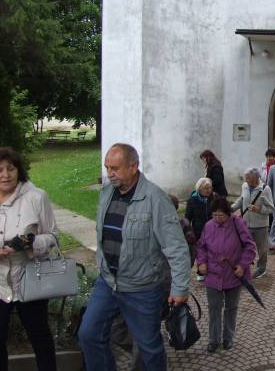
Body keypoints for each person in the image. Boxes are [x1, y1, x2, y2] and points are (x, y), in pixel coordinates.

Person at [78, 143, 191, 371]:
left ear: (133, 166)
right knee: (88, 334)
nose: (109, 173)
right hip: (108, 282)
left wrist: (179, 288)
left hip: (142, 288)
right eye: (107, 167)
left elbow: (177, 247)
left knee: (149, 348)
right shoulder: (107, 193)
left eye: (115, 168)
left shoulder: (155, 199)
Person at [110, 193, 196, 371]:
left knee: (144, 331)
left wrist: (177, 285)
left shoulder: (179, 229)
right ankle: (152, 350)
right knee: (117, 329)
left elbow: (186, 257)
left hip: (160, 287)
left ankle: (145, 357)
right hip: (132, 284)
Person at [0, 147, 58, 371]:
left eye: (11, 169)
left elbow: (53, 237)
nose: (5, 175)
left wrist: (32, 243)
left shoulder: (36, 197)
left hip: (30, 278)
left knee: (39, 336)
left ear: (19, 171)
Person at [196, 198, 256, 354]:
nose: (217, 218)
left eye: (221, 215)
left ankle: (228, 337)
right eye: (214, 215)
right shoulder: (208, 226)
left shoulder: (238, 224)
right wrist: (201, 262)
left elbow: (250, 247)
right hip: (213, 274)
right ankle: (213, 339)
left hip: (233, 274)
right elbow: (201, 247)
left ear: (228, 214)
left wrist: (242, 265)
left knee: (231, 307)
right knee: (214, 307)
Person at [232, 168, 274, 278]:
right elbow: (241, 200)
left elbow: (271, 209)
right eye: (245, 178)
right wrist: (230, 208)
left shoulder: (265, 189)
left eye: (247, 178)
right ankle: (244, 268)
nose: (245, 180)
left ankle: (261, 269)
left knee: (262, 249)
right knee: (244, 247)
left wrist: (258, 209)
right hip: (246, 224)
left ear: (255, 179)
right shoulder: (245, 186)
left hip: (261, 225)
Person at [185, 178, 217, 282]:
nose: (209, 190)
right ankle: (201, 271)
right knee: (200, 252)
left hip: (213, 230)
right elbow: (187, 217)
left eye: (210, 188)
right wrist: (188, 231)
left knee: (213, 251)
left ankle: (212, 270)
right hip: (198, 230)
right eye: (206, 188)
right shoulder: (192, 200)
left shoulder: (214, 198)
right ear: (199, 189)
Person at [260, 149, 275, 231]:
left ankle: (273, 224)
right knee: (267, 206)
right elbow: (261, 177)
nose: (269, 158)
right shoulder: (263, 165)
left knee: (273, 207)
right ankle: (269, 224)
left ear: (274, 157)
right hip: (265, 189)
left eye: (270, 156)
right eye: (267, 156)